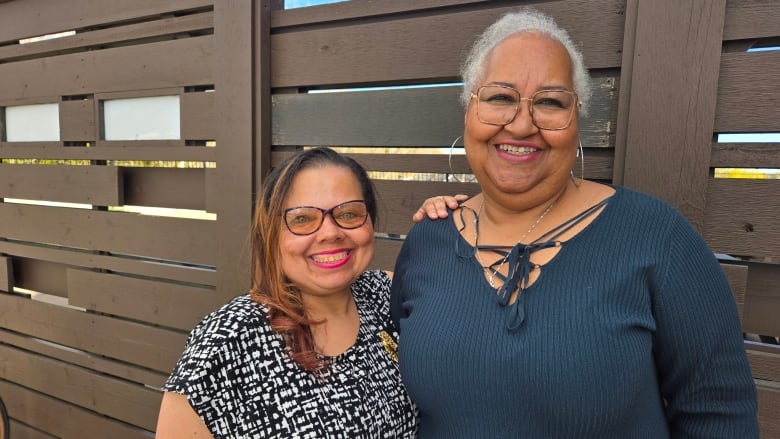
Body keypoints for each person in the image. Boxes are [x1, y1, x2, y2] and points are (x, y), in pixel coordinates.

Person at [392, 8, 759, 439]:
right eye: (499, 97)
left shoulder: (659, 238)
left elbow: (718, 413)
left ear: (577, 120)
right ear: (469, 109)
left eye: (550, 102)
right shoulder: (428, 240)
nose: (522, 123)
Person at [156, 147, 462, 438]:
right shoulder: (228, 339)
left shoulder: (387, 296)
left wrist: (448, 227)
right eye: (302, 219)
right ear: (271, 232)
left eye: (349, 213)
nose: (331, 232)